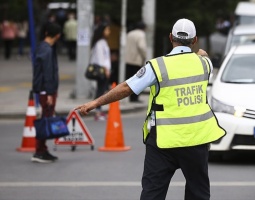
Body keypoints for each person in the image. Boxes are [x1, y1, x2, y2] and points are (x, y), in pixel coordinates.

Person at [75, 18, 226, 199]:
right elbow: (204, 56)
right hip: (196, 140)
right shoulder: (205, 65)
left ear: (171, 37)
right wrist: (202, 54)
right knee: (198, 192)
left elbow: (126, 88)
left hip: (163, 141)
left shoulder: (157, 66)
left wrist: (96, 103)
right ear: (195, 40)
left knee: (152, 193)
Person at [31, 22, 62, 163]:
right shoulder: (47, 50)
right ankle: (39, 151)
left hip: (44, 90)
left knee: (46, 118)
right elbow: (47, 73)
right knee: (45, 120)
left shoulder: (42, 47)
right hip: (46, 91)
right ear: (57, 35)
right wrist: (50, 93)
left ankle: (42, 149)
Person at [89, 23, 111, 121]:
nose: (108, 32)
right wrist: (106, 69)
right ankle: (97, 111)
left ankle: (99, 110)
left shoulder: (103, 42)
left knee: (101, 90)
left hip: (104, 69)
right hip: (101, 70)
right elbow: (101, 58)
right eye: (107, 30)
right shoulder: (99, 43)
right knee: (100, 90)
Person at [125, 21, 147, 102]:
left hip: (128, 59)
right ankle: (135, 98)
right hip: (136, 60)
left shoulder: (129, 33)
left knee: (130, 80)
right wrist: (144, 56)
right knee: (137, 80)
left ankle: (130, 97)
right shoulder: (141, 34)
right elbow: (141, 46)